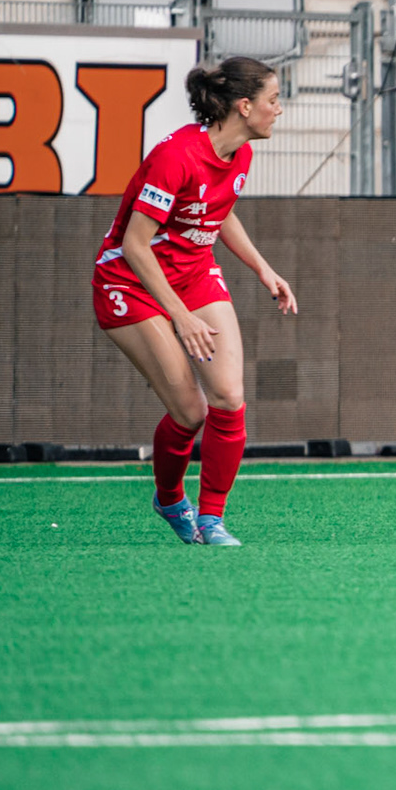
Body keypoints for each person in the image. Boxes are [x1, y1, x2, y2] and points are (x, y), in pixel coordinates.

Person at [92, 57, 298, 546]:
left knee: (229, 398)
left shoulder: (241, 156)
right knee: (190, 411)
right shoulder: (175, 157)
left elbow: (216, 213)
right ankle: (168, 496)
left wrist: (263, 268)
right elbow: (137, 246)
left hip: (194, 274)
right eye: (273, 100)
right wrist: (180, 317)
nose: (279, 110)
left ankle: (212, 518)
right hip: (129, 282)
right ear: (245, 107)